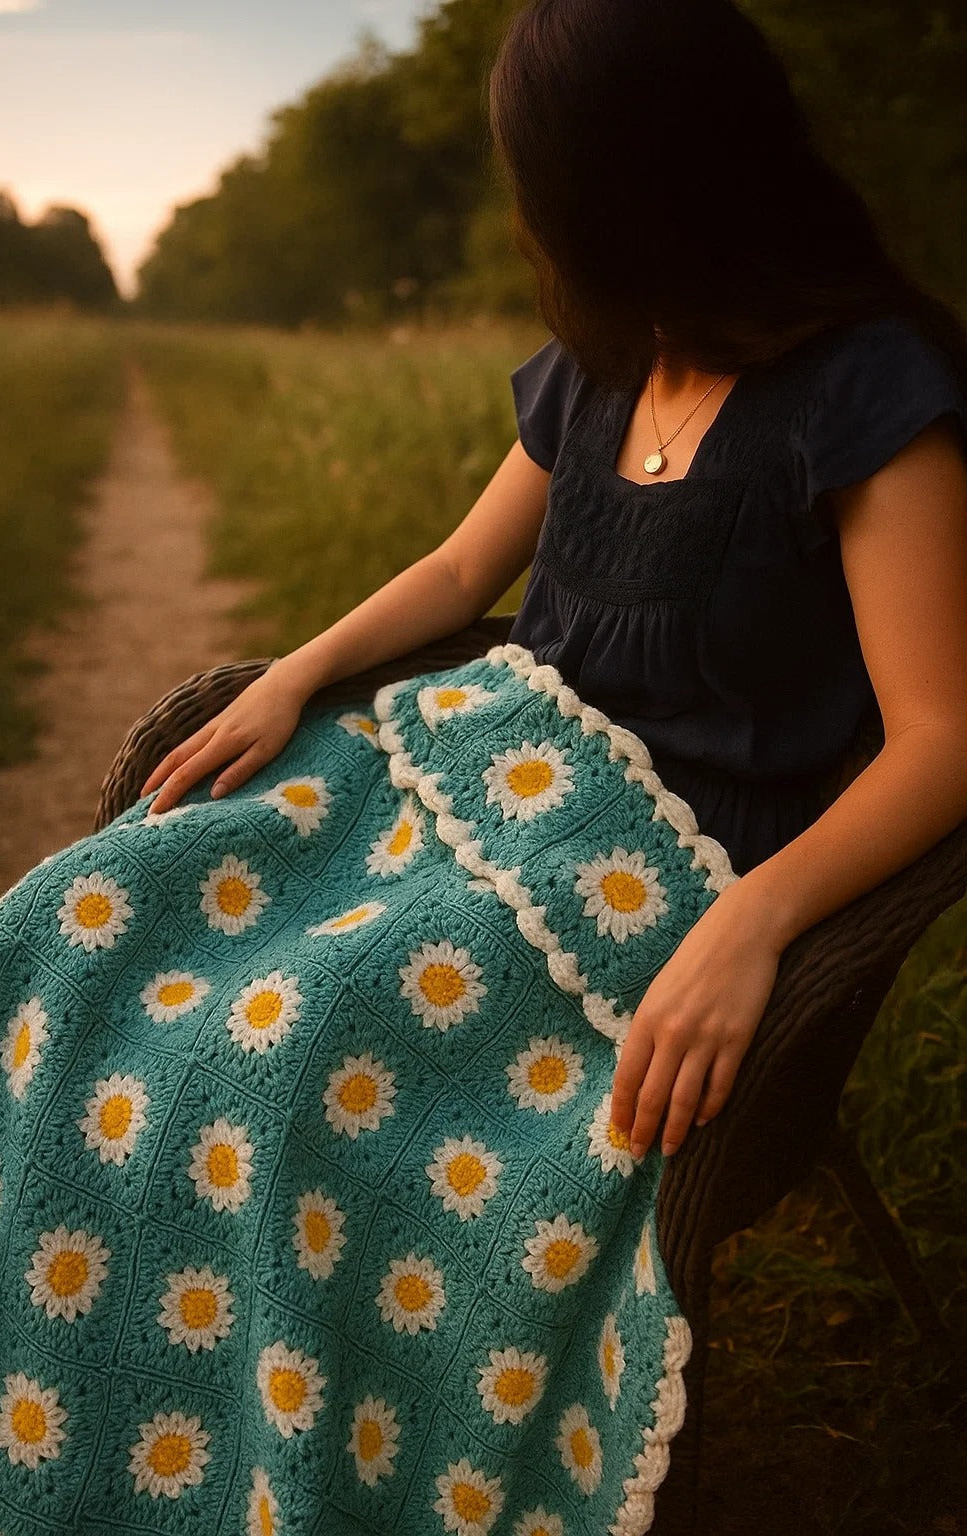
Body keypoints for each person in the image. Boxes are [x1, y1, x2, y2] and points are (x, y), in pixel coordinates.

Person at [143, 0, 967, 1167]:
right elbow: (462, 565)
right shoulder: (610, 361)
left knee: (277, 1034)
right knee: (123, 912)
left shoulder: (865, 388)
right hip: (487, 785)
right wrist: (295, 674)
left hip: (654, 878)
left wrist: (753, 920)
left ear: (630, 183)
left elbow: (942, 735)